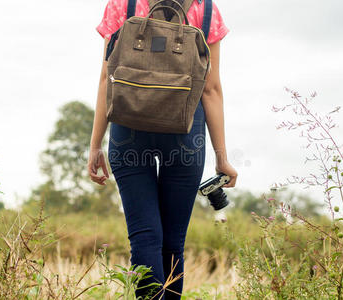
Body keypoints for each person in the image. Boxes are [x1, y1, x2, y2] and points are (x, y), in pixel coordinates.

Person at [88, 0, 237, 298]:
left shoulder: (123, 4)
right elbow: (210, 89)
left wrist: (95, 147)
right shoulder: (205, 11)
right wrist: (222, 158)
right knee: (172, 242)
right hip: (185, 134)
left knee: (145, 237)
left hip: (128, 131)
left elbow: (108, 78)